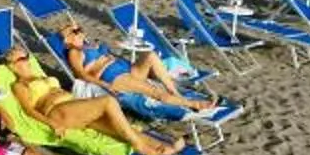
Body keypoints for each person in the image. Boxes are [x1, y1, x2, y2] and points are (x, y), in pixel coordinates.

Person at [0, 47, 185, 155]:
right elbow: (29, 111)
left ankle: (162, 148)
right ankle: (141, 147)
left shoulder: (38, 75)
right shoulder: (20, 85)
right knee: (108, 102)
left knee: (116, 127)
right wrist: (52, 124)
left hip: (74, 108)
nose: (28, 61)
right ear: (12, 66)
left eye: (27, 56)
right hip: (56, 112)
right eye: (22, 59)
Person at [62, 25, 227, 116]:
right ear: (67, 38)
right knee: (154, 91)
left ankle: (174, 93)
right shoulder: (74, 51)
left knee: (151, 55)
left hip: (125, 68)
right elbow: (81, 74)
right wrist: (104, 84)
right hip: (114, 77)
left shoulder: (88, 45)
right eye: (75, 31)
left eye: (81, 29)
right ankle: (195, 104)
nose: (81, 33)